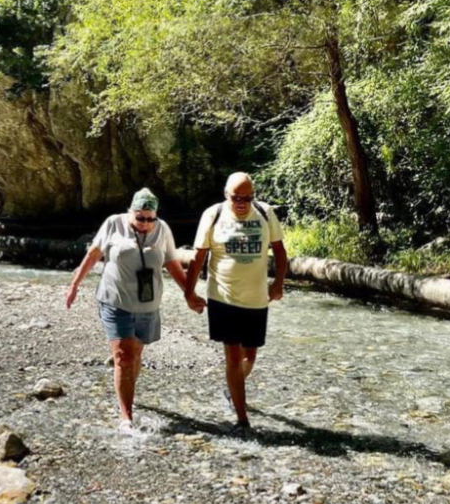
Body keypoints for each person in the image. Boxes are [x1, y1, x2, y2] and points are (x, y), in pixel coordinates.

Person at [65, 188, 192, 433]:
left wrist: (190, 293)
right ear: (130, 212)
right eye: (139, 217)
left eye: (150, 218)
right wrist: (74, 284)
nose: (145, 223)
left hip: (147, 304)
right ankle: (126, 418)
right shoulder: (113, 223)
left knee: (135, 355)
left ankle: (126, 391)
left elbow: (172, 263)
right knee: (124, 356)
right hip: (115, 300)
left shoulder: (162, 229)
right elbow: (94, 254)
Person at [185, 172, 288, 438]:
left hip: (256, 298)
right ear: (226, 194)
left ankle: (232, 389)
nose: (241, 203)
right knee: (232, 355)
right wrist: (189, 292)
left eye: (247, 198)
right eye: (236, 198)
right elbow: (198, 257)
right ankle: (242, 420)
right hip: (223, 297)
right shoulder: (213, 214)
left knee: (249, 356)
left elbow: (279, 251)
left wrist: (278, 283)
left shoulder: (265, 213)